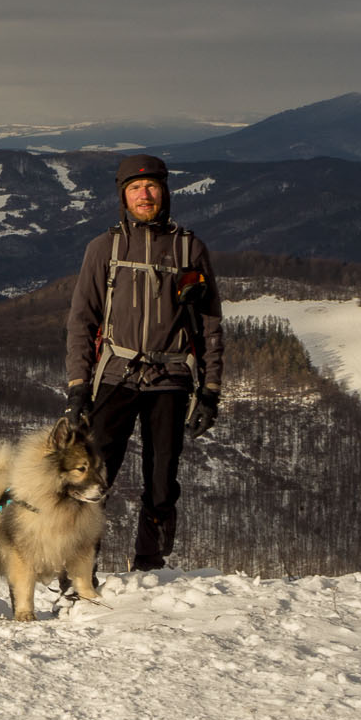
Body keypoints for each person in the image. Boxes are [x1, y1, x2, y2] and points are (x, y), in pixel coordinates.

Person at [63, 154, 222, 572]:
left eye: (151, 186)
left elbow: (210, 325)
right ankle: (79, 572)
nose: (144, 194)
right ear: (123, 196)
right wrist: (78, 384)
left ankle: (149, 564)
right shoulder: (104, 249)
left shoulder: (190, 249)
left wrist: (210, 391)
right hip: (115, 375)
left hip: (170, 377)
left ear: (165, 191)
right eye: (135, 188)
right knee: (93, 476)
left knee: (162, 478)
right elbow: (82, 320)